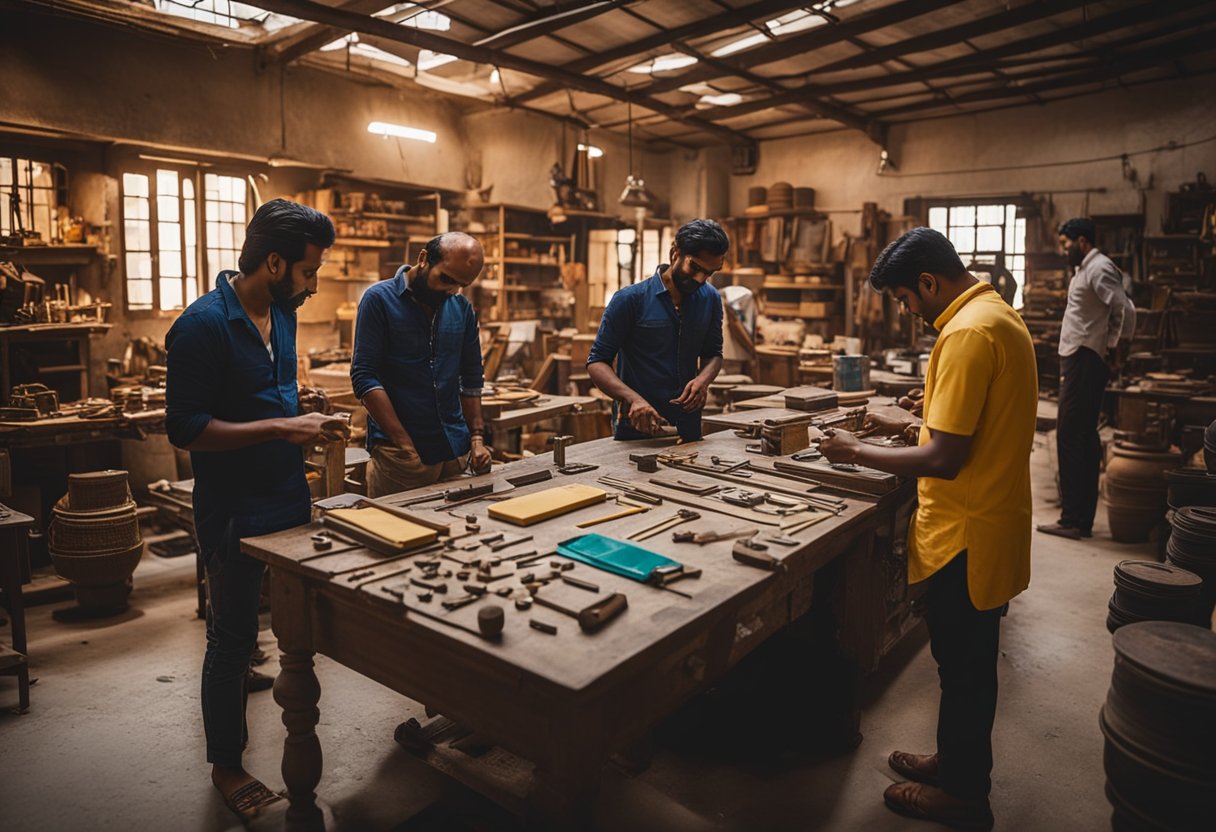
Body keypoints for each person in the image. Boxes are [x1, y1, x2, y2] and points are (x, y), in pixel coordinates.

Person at [820, 228, 1037, 831]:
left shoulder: (965, 333)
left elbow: (945, 458)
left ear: (927, 283)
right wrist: (924, 407)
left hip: (967, 533)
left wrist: (854, 450)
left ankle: (966, 798)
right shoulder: (995, 315)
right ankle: (956, 761)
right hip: (993, 519)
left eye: (904, 300)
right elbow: (978, 419)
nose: (907, 312)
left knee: (965, 671)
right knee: (963, 666)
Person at [165, 199, 336, 823]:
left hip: (289, 498)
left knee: (293, 635)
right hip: (234, 508)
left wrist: (298, 403)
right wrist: (279, 427)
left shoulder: (283, 313)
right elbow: (184, 429)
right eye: (309, 271)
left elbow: (268, 392)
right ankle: (227, 764)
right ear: (272, 261)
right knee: (233, 640)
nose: (313, 285)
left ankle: (295, 740)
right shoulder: (200, 326)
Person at [351, 232, 491, 497]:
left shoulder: (461, 309)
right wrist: (403, 443)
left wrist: (477, 439)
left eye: (461, 284)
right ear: (423, 258)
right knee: (394, 533)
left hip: (455, 452)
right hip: (402, 458)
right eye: (446, 279)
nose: (451, 290)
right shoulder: (379, 300)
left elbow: (471, 378)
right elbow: (364, 376)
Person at [1037, 217, 1135, 540]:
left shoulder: (1099, 268)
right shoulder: (1084, 270)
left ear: (1081, 242)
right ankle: (1080, 520)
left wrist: (1114, 350)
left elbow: (1125, 310)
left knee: (1069, 435)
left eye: (1066, 244)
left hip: (1085, 358)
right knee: (1083, 437)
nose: (1063, 250)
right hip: (1079, 357)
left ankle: (1072, 520)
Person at [587, 218, 728, 440]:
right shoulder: (629, 299)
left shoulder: (710, 298)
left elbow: (713, 354)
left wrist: (703, 380)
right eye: (695, 267)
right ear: (675, 253)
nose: (701, 279)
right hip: (638, 427)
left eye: (709, 273)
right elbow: (597, 362)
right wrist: (632, 398)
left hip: (688, 426)